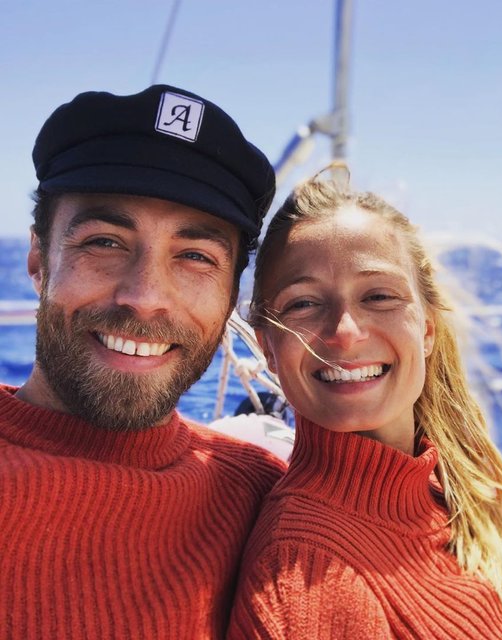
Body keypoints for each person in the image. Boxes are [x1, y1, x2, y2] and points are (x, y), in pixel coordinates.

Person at [226, 167, 502, 639]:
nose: (346, 332)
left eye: (379, 296)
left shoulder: (462, 494)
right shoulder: (304, 575)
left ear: (426, 329)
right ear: (268, 349)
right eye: (303, 303)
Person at [0, 85, 287, 639]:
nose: (145, 296)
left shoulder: (267, 498)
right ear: (39, 260)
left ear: (231, 296)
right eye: (105, 242)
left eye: (195, 256)